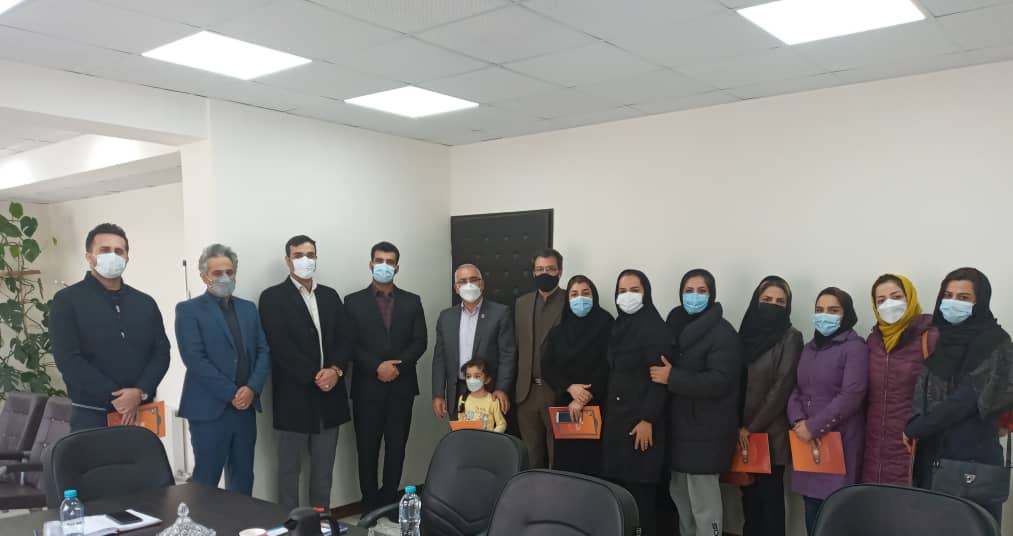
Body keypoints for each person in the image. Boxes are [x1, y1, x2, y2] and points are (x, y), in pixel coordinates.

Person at [906, 268, 1013, 522]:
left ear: (980, 301)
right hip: (932, 455)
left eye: (964, 297)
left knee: (971, 526)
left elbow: (965, 400)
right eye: (948, 295)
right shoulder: (941, 339)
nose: (953, 302)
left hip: (971, 460)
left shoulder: (996, 341)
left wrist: (915, 427)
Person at [258, 235, 350, 511]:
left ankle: (321, 522)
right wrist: (316, 376)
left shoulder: (330, 296)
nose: (305, 260)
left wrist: (335, 371)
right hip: (294, 398)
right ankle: (290, 524)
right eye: (298, 255)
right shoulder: (272, 297)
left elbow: (346, 339)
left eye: (310, 255)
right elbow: (279, 345)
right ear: (288, 260)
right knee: (289, 471)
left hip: (330, 396)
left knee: (323, 472)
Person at [50, 223, 170, 432]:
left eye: (119, 251)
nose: (113, 256)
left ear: (127, 258)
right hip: (92, 414)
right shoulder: (67, 300)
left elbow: (161, 352)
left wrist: (139, 392)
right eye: (105, 250)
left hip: (142, 410)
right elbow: (68, 359)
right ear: (89, 256)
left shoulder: (144, 302)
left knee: (143, 455)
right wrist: (118, 398)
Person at [649, 269, 741, 536]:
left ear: (712, 295)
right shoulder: (674, 325)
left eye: (701, 291)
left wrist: (673, 377)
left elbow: (720, 381)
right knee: (681, 498)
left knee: (705, 505)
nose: (694, 296)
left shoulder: (723, 333)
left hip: (706, 432)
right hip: (679, 429)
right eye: (689, 290)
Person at [176, 244, 270, 496]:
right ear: (204, 276)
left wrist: (251, 389)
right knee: (206, 480)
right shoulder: (188, 310)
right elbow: (194, 359)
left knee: (243, 478)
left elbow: (263, 351)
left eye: (229, 272)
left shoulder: (248, 308)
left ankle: (240, 521)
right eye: (217, 273)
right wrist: (232, 393)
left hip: (245, 409)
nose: (225, 278)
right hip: (209, 410)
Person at [344, 241, 427, 512]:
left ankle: (390, 501)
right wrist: (376, 366)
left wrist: (397, 367)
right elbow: (350, 343)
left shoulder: (412, 301)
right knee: (367, 448)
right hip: (367, 387)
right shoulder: (353, 302)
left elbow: (420, 341)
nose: (384, 266)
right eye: (379, 261)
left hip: (402, 387)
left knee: (396, 446)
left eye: (390, 262)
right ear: (370, 265)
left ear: (397, 267)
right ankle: (369, 503)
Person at [787, 287, 868, 535]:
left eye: (833, 310)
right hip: (806, 441)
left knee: (834, 512)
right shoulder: (809, 348)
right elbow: (796, 389)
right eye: (820, 310)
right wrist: (798, 420)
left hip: (839, 442)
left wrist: (813, 427)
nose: (825, 315)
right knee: (810, 510)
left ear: (846, 314)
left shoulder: (854, 347)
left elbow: (852, 395)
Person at [601, 269, 669, 536]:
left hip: (642, 423)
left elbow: (660, 381)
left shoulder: (654, 328)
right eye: (622, 291)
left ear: (646, 293)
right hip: (618, 421)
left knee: (641, 496)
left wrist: (647, 419)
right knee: (621, 495)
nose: (627, 296)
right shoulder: (619, 327)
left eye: (634, 290)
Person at [737, 276, 803, 536]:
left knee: (770, 502)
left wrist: (751, 427)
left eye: (779, 302)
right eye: (766, 299)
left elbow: (781, 387)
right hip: (740, 432)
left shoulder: (791, 337)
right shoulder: (745, 334)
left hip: (770, 434)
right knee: (748, 499)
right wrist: (737, 426)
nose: (772, 305)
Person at [862, 273, 937, 485]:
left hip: (913, 443)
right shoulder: (873, 341)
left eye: (896, 297)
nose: (889, 304)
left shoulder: (930, 337)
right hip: (874, 448)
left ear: (909, 298)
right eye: (881, 300)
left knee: (909, 501)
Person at [542, 274, 614, 475]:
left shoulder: (607, 325)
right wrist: (569, 387)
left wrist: (584, 397)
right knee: (567, 465)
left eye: (585, 293)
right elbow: (548, 366)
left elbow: (608, 364)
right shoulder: (558, 332)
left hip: (597, 402)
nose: (580, 298)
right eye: (574, 294)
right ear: (568, 300)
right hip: (566, 403)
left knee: (594, 465)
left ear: (594, 296)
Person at [432, 263, 516, 420]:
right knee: (460, 434)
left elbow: (507, 356)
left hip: (489, 391)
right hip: (457, 391)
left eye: (473, 279)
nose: (468, 285)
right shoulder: (446, 317)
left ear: (482, 284)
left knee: (487, 435)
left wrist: (502, 389)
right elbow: (440, 358)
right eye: (462, 281)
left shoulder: (500, 313)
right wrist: (438, 394)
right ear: (456, 288)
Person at [514, 248, 566, 468]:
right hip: (526, 392)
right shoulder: (521, 303)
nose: (545, 273)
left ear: (560, 272)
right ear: (533, 272)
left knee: (559, 454)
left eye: (550, 269)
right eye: (540, 269)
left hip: (556, 390)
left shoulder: (570, 301)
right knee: (531, 454)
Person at [457, 359, 507, 433]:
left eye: (477, 376)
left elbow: (502, 424)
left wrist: (491, 436)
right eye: (468, 376)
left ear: (487, 380)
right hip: (468, 438)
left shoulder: (493, 400)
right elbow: (460, 420)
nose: (471, 380)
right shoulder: (463, 398)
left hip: (486, 439)